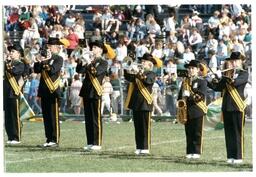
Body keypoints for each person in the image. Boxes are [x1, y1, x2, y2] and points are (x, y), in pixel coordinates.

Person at [208, 52, 248, 164]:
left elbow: (235, 83)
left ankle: (238, 157)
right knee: (229, 133)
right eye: (232, 61)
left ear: (241, 62)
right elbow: (218, 88)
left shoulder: (243, 74)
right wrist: (211, 79)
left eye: (236, 61)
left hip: (237, 107)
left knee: (237, 132)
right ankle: (230, 156)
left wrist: (223, 77)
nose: (233, 63)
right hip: (226, 107)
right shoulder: (228, 74)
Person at [124, 53, 162, 155]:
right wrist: (126, 68)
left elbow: (147, 81)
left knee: (145, 127)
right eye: (142, 61)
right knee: (137, 127)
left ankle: (145, 147)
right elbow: (129, 78)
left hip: (145, 103)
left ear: (150, 64)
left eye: (144, 61)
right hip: (136, 103)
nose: (142, 63)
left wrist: (138, 72)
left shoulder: (151, 74)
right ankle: (139, 147)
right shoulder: (138, 73)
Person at [76, 40, 108, 151]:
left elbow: (95, 72)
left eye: (94, 47)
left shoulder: (103, 62)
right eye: (92, 47)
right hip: (86, 91)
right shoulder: (90, 59)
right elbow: (79, 70)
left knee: (96, 118)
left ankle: (97, 142)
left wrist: (88, 61)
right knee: (88, 118)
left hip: (95, 91)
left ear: (100, 49)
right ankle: (90, 142)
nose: (92, 49)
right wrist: (81, 60)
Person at [34, 37, 64, 147]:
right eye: (48, 46)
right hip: (44, 90)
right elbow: (36, 70)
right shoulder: (44, 58)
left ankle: (54, 140)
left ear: (56, 47)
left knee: (53, 116)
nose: (49, 48)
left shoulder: (58, 58)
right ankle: (48, 139)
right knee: (46, 116)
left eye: (50, 46)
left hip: (53, 90)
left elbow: (52, 70)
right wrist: (38, 60)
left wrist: (45, 60)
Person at [177, 60, 208, 159]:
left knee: (197, 132)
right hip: (187, 110)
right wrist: (180, 101)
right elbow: (179, 96)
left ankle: (197, 152)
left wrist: (189, 95)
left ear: (198, 70)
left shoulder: (202, 81)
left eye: (193, 68)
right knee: (188, 132)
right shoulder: (185, 81)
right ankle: (189, 151)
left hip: (197, 110)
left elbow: (201, 96)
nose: (190, 70)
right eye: (189, 68)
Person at [4, 44, 26, 145]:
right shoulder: (6, 63)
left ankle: (16, 137)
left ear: (19, 53)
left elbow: (14, 71)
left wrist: (7, 63)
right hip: (6, 92)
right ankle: (10, 136)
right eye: (10, 51)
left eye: (13, 51)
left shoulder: (20, 64)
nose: (11, 53)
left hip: (14, 92)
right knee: (7, 116)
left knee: (14, 116)